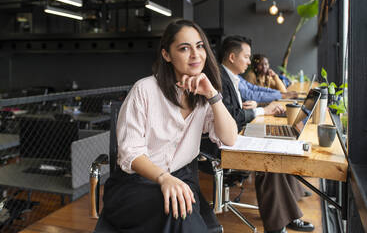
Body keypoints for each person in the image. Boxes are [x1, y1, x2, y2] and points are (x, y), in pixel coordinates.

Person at [102, 20, 238, 233]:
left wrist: (212, 95)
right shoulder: (144, 90)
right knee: (178, 210)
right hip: (134, 186)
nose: (195, 54)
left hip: (181, 179)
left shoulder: (203, 94)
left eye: (200, 46)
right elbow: (131, 154)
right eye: (184, 48)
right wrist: (164, 178)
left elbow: (229, 138)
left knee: (180, 205)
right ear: (166, 55)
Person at [219, 35, 314, 233]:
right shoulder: (220, 78)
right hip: (224, 141)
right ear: (231, 57)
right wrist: (262, 110)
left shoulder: (231, 77)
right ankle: (278, 224)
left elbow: (248, 98)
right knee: (270, 158)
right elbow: (232, 116)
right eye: (246, 57)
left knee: (278, 143)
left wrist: (260, 105)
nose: (248, 61)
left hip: (237, 132)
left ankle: (290, 203)